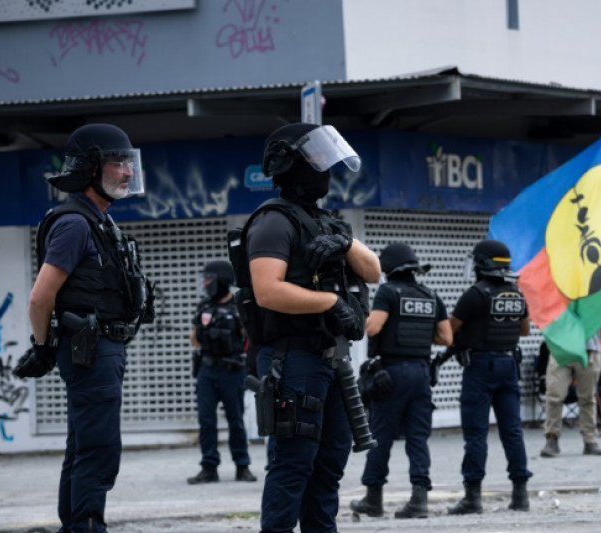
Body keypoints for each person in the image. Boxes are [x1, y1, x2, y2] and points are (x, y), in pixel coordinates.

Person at [13, 123, 154, 533]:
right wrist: (42, 347)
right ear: (91, 168)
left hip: (100, 347)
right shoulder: (75, 223)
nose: (127, 172)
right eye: (117, 162)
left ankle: (75, 524)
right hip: (89, 349)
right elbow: (41, 297)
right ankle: (87, 525)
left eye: (129, 163)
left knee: (82, 446)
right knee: (98, 448)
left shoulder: (98, 220)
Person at [242, 122, 381, 533]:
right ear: (290, 165)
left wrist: (344, 243)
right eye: (316, 160)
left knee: (329, 466)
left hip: (332, 361)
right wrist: (332, 301)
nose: (325, 169)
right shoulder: (273, 221)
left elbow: (373, 272)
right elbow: (267, 290)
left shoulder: (326, 222)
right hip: (293, 359)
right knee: (292, 466)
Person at [349, 242, 452, 519]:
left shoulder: (388, 292)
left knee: (381, 436)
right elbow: (446, 337)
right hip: (421, 373)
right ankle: (419, 501)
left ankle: (373, 499)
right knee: (418, 437)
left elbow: (373, 327)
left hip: (391, 374)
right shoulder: (430, 295)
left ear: (388, 268)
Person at [447, 239, 532, 514]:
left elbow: (449, 330)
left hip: (480, 367)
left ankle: (473, 497)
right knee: (512, 431)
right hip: (509, 364)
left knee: (476, 433)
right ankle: (520, 495)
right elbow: (525, 330)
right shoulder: (516, 293)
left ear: (482, 264)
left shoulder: (475, 294)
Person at [186, 260, 256, 484]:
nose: (206, 283)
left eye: (209, 279)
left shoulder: (238, 307)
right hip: (207, 369)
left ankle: (242, 466)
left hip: (232, 369)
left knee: (235, 420)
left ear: (222, 281)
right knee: (206, 420)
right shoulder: (203, 306)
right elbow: (194, 339)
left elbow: (248, 338)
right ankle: (209, 467)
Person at [541, 330, 601, 456]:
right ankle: (552, 437)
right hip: (561, 348)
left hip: (589, 348)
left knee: (588, 397)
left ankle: (590, 439)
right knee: (554, 395)